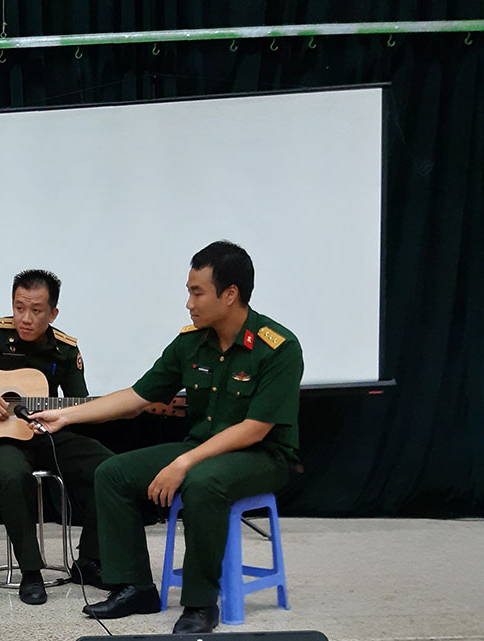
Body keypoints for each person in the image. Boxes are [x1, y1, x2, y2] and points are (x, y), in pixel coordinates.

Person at [29, 241, 303, 633]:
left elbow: (254, 428)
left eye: (197, 293)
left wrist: (184, 462)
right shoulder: (192, 342)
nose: (189, 303)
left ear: (230, 294)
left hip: (262, 456)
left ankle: (200, 604)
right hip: (202, 449)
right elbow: (136, 397)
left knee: (203, 482)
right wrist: (65, 416)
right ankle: (135, 587)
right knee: (113, 472)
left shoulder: (277, 347)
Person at [0, 269, 114, 605]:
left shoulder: (65, 350)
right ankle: (31, 571)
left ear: (53, 313)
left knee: (108, 468)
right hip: (2, 438)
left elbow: (79, 407)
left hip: (45, 435)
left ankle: (88, 560)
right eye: (19, 307)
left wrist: (62, 417)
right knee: (12, 475)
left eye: (36, 310)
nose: (25, 318)